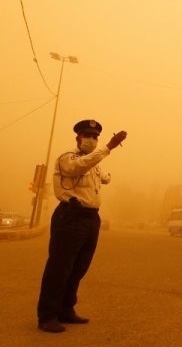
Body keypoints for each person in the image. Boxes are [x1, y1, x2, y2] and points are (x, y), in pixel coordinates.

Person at [37, 119, 127, 333]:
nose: (92, 140)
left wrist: (107, 176)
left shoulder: (93, 163)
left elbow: (102, 177)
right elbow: (79, 167)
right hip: (70, 216)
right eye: (88, 136)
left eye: (95, 137)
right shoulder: (67, 158)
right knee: (60, 268)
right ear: (78, 138)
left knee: (79, 268)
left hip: (91, 218)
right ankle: (47, 316)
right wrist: (108, 147)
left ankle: (66, 310)